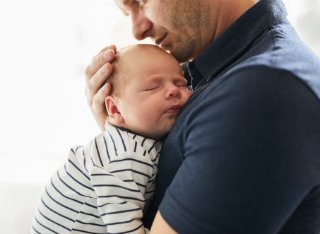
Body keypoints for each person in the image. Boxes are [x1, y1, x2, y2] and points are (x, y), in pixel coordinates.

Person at [85, 0, 320, 233]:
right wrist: (122, 133)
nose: (137, 30)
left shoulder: (263, 92)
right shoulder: (209, 75)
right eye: (128, 14)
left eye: (141, 2)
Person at [31, 44, 191, 234]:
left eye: (181, 83)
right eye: (153, 87)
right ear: (115, 110)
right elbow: (122, 222)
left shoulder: (135, 142)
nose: (173, 90)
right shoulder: (128, 154)